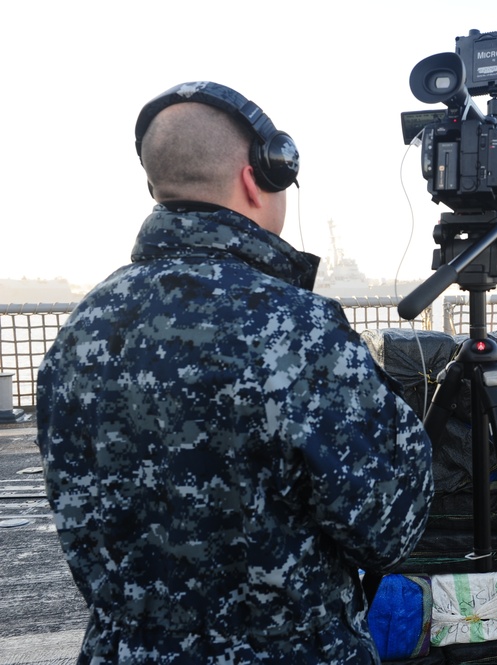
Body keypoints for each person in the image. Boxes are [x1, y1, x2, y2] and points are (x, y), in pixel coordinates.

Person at [35, 81, 434, 663]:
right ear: (258, 177)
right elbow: (392, 527)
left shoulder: (80, 330)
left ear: (157, 186)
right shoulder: (300, 330)